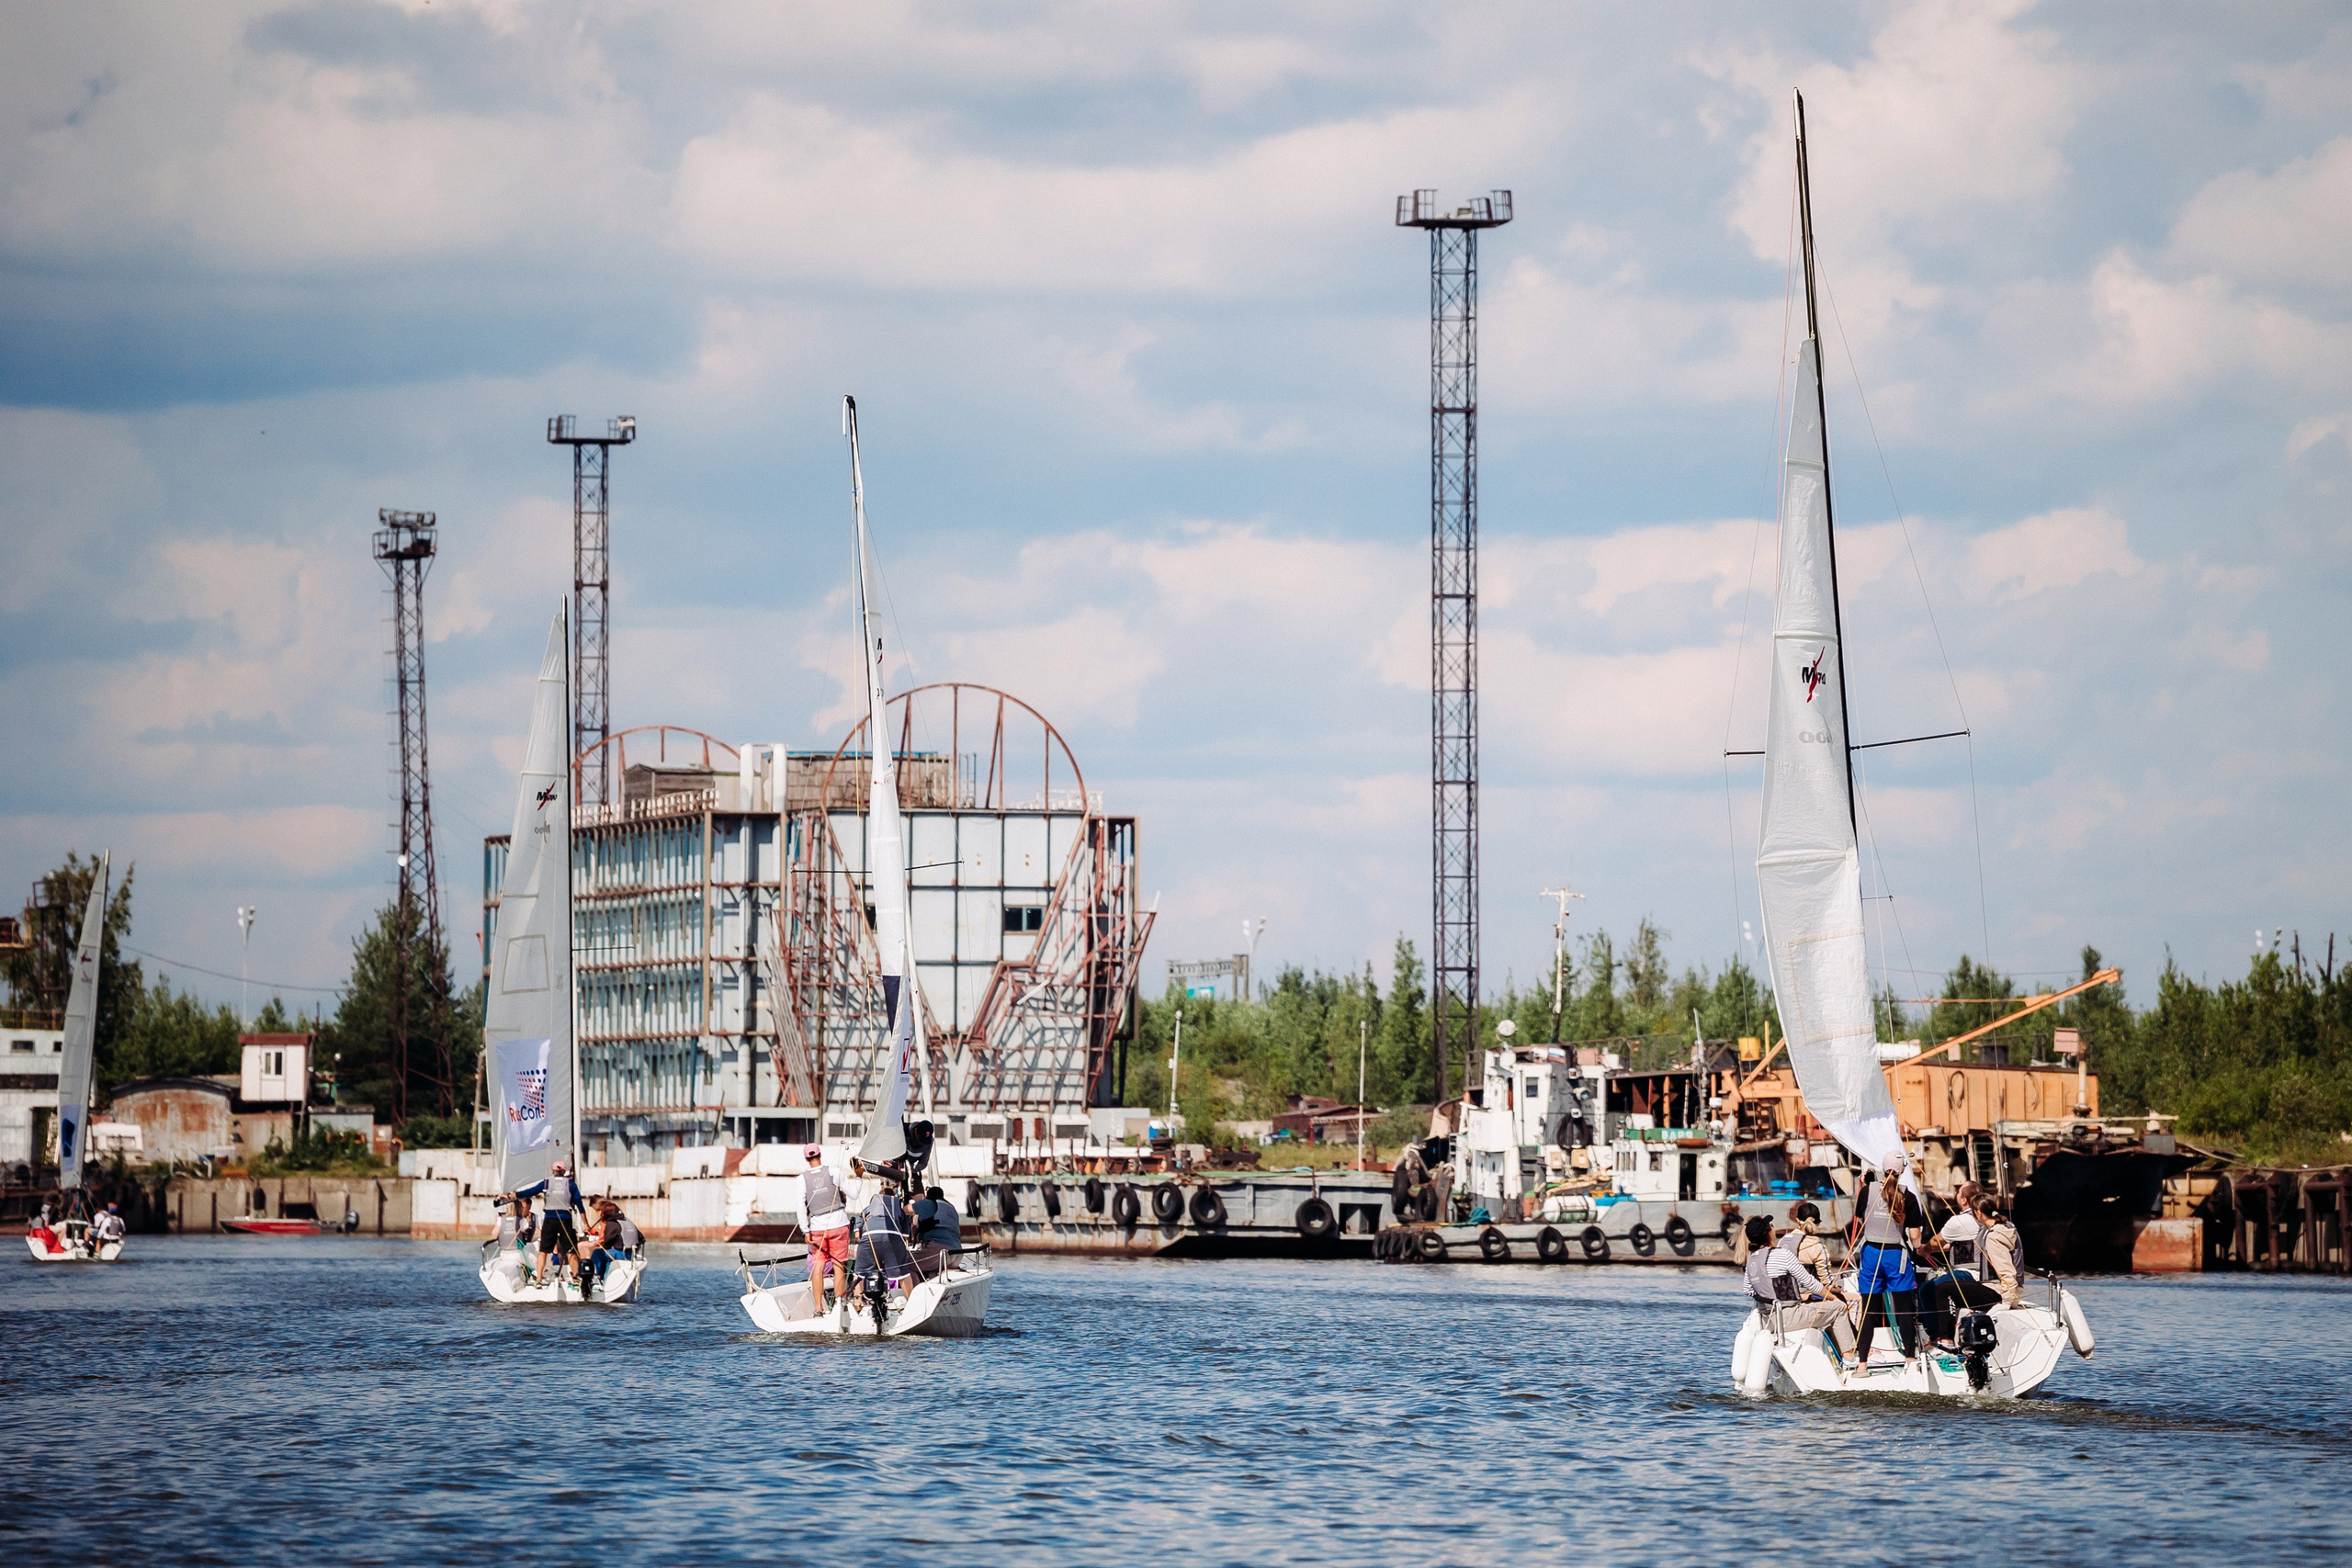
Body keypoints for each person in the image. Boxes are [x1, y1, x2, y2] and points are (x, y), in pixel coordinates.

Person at [1742, 1215, 1860, 1371]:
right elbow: (1810, 1282)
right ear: (1768, 1232)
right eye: (1771, 1225)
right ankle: (1849, 1359)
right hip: (1787, 1317)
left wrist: (1786, 1297)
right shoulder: (1782, 1254)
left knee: (1825, 1309)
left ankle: (1838, 1355)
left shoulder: (1751, 1259)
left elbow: (1748, 1290)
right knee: (1838, 1308)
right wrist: (1833, 1297)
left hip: (1768, 1319)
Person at [1852, 1157, 1928, 1361]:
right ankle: (1910, 1359)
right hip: (1896, 1256)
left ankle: (1862, 1365)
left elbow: (1860, 1221)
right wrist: (1919, 1247)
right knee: (1904, 1308)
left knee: (1869, 1309)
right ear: (1902, 1171)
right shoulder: (1908, 1196)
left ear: (1882, 1169)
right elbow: (1914, 1236)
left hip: (1870, 1255)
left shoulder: (1867, 1191)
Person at [514, 1159, 586, 1288]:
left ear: (553, 1171)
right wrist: (586, 1224)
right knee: (571, 1251)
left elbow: (530, 1192)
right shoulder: (571, 1185)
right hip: (565, 1220)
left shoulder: (546, 1183)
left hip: (550, 1220)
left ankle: (539, 1279)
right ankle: (575, 1279)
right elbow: (580, 1205)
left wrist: (514, 1195)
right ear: (564, 1171)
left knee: (543, 1251)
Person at [799, 1146, 852, 1315]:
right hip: (838, 1224)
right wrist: (858, 1178)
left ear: (806, 1159)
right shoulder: (834, 1172)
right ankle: (838, 1306)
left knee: (818, 1265)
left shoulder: (801, 1179)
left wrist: (805, 1230)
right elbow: (854, 1194)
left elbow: (800, 1207)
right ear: (820, 1155)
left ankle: (818, 1307)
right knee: (838, 1265)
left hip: (816, 1228)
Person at [852, 1170, 915, 1310]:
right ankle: (910, 1303)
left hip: (869, 1237)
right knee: (903, 1274)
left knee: (859, 1273)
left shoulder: (868, 1209)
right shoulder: (898, 1208)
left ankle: (857, 1302)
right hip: (893, 1237)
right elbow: (905, 1237)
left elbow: (857, 1234)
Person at [1977, 1196, 2025, 1308]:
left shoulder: (1994, 1236)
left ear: (1978, 1213)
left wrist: (2006, 1302)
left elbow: (2007, 1272)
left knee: (1943, 1289)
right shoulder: (2007, 1226)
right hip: (2014, 1291)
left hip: (1998, 1291)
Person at [908, 1184, 962, 1274]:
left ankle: (912, 1288)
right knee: (931, 1268)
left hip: (939, 1251)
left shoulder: (926, 1203)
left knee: (905, 1265)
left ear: (927, 1196)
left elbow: (905, 1210)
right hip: (957, 1253)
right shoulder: (951, 1207)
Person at [582, 1201, 625, 1291]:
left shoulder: (611, 1224)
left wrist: (595, 1245)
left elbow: (607, 1241)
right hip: (628, 1252)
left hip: (620, 1253)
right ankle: (602, 1276)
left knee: (597, 1253)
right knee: (602, 1253)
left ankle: (597, 1277)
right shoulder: (622, 1220)